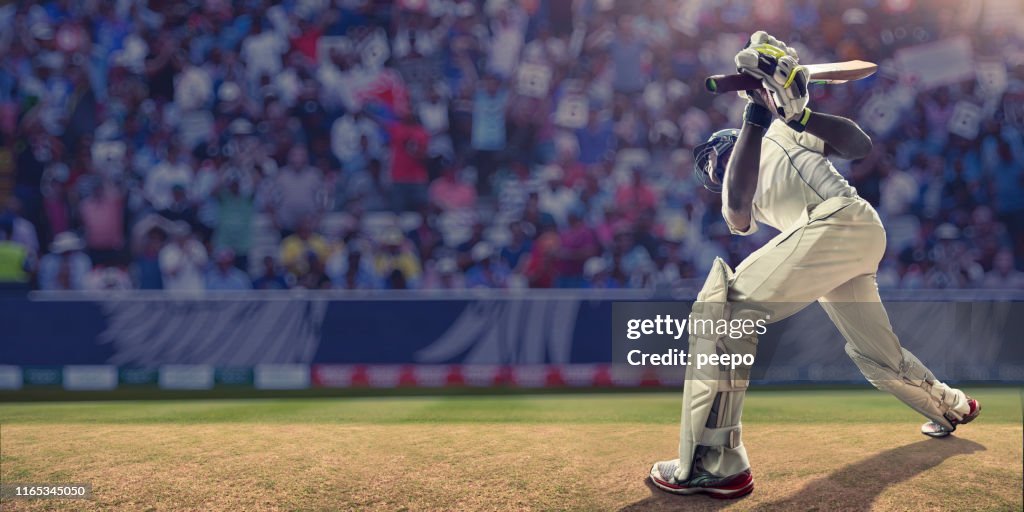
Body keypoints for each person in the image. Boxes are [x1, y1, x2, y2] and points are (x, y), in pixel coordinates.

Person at [649, 32, 980, 499]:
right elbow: (738, 202)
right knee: (878, 358)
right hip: (834, 245)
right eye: (710, 173)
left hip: (844, 220)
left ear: (722, 142)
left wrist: (797, 114)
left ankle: (714, 462)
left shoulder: (785, 132)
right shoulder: (741, 180)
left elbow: (859, 146)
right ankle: (953, 406)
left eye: (714, 161)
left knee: (722, 310)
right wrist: (755, 117)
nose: (714, 171)